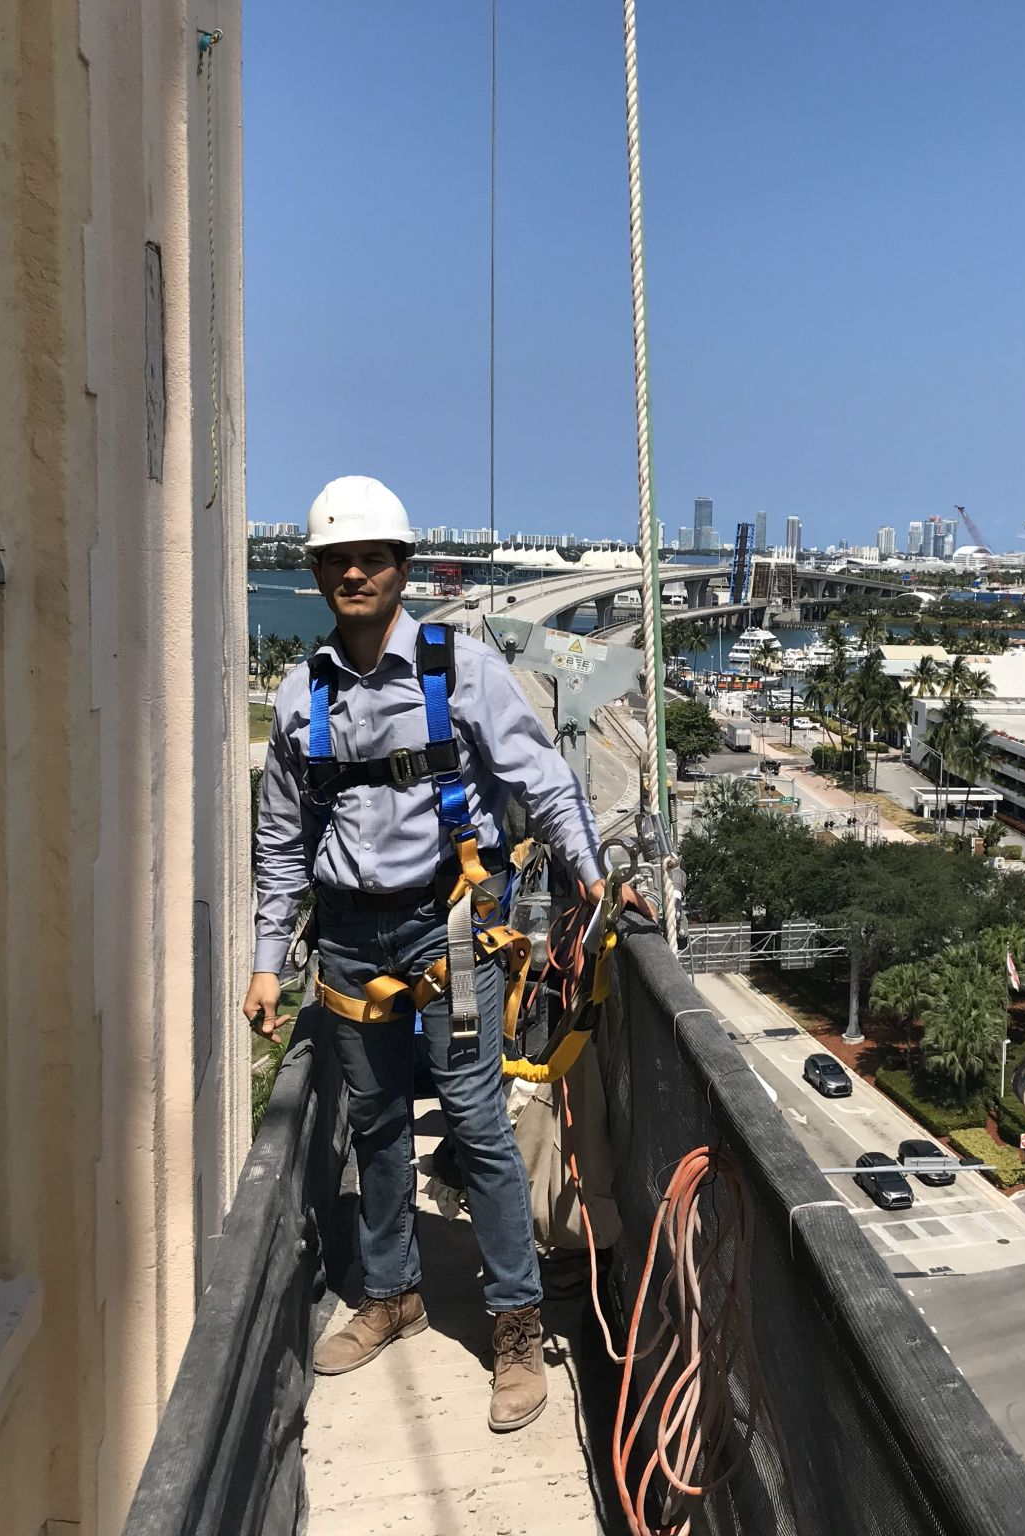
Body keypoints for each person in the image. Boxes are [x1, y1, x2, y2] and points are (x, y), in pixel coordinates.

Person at [244, 475, 606, 1434]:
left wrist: (593, 873)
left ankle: (516, 1325)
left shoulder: (460, 669)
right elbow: (280, 839)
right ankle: (392, 1293)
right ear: (318, 572)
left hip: (448, 927)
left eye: (371, 559)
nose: (354, 574)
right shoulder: (303, 694)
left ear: (402, 570)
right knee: (374, 1123)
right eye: (337, 561)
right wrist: (268, 959)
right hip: (349, 933)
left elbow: (543, 776)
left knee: (478, 1122)